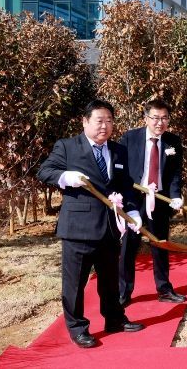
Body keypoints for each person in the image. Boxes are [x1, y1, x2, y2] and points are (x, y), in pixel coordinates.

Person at [37, 100, 145, 348]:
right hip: (79, 228)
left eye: (109, 121)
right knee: (75, 283)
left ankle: (115, 319)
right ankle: (78, 328)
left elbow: (125, 185)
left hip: (110, 226)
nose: (104, 126)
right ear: (85, 122)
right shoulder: (68, 147)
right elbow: (45, 171)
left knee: (109, 279)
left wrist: (132, 210)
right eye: (99, 121)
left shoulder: (118, 150)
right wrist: (65, 176)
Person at [118, 99, 186, 306]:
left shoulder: (173, 141)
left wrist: (175, 195)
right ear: (146, 118)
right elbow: (120, 169)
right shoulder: (130, 138)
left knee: (160, 244)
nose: (160, 123)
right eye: (155, 118)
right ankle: (123, 292)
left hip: (160, 200)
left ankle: (164, 289)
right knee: (129, 246)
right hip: (134, 200)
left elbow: (175, 173)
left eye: (164, 118)